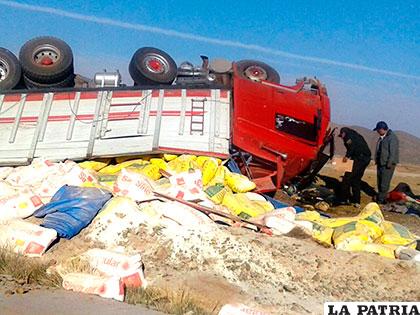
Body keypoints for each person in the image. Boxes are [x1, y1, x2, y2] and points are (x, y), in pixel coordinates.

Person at [338, 127, 372, 207]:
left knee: (347, 178)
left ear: (343, 133)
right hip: (365, 159)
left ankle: (343, 199)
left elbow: (351, 147)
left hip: (359, 159)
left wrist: (347, 156)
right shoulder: (356, 136)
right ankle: (357, 201)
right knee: (356, 179)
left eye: (341, 135)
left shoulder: (348, 136)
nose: (341, 138)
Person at [373, 121, 399, 204]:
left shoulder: (392, 138)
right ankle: (381, 197)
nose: (377, 132)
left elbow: (393, 152)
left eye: (378, 130)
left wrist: (389, 163)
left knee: (384, 183)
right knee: (379, 181)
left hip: (388, 164)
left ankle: (381, 200)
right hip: (381, 162)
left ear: (382, 129)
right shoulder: (382, 138)